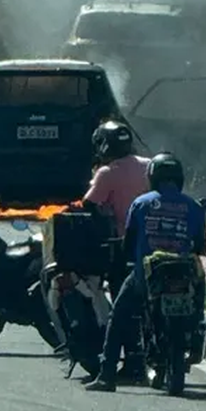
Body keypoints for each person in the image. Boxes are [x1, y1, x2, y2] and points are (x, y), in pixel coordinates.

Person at [86, 152, 206, 393]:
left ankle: (107, 376)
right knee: (199, 299)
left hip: (148, 275)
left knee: (118, 317)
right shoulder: (193, 206)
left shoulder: (141, 204)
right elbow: (201, 247)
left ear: (152, 177)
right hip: (184, 273)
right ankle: (196, 332)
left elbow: (129, 244)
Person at [77, 120, 151, 382]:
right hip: (157, 244)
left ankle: (128, 363)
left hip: (124, 247)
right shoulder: (148, 165)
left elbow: (89, 205)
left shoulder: (107, 173)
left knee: (122, 309)